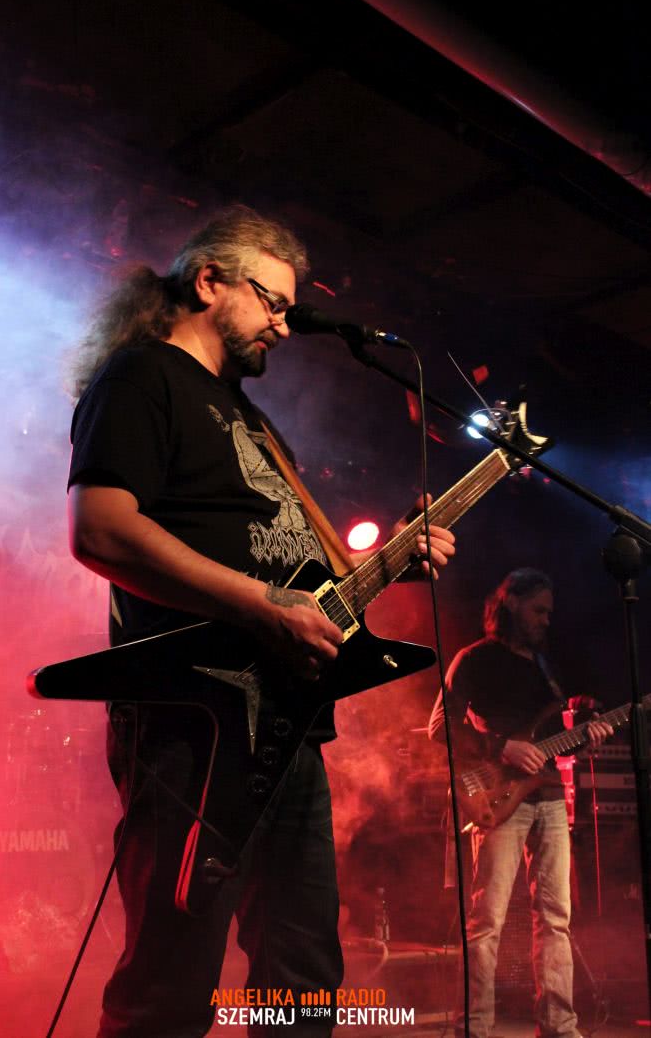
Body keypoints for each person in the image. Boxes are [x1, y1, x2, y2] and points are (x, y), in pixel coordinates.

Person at [66, 204, 456, 1038]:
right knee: (171, 986)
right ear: (210, 281)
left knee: (302, 982)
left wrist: (395, 554)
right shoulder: (141, 377)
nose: (284, 323)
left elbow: (320, 586)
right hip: (193, 725)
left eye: (288, 307)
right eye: (272, 301)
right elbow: (100, 529)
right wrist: (261, 604)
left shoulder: (254, 419)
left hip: (287, 729)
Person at [428, 568, 612, 1038]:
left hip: (548, 796)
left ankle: (558, 1025)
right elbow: (439, 728)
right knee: (487, 920)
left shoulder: (546, 667)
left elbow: (552, 737)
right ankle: (475, 1027)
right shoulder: (475, 659)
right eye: (538, 610)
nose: (546, 620)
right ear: (510, 603)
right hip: (498, 795)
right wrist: (502, 748)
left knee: (555, 919)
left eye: (549, 612)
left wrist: (586, 736)